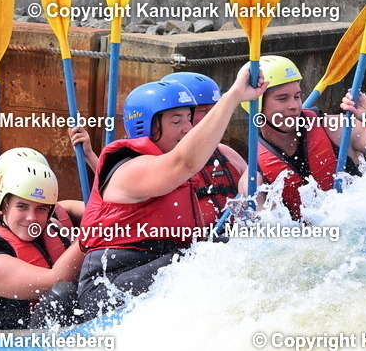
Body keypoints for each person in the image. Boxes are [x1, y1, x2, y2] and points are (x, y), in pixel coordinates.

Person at [77, 65, 265, 317]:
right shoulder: (131, 169)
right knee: (203, 258)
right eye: (176, 121)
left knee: (227, 247)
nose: (187, 129)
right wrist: (233, 96)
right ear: (146, 126)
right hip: (108, 286)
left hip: (158, 269)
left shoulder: (189, 165)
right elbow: (184, 162)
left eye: (189, 119)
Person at [254, 55, 366, 221]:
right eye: (282, 98)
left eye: (297, 96)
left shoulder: (339, 129)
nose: (294, 106)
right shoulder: (254, 177)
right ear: (256, 106)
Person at [0, 161, 84, 330]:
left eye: (41, 209)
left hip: (48, 336)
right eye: (22, 206)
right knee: (62, 293)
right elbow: (56, 279)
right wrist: (93, 233)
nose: (32, 217)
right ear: (5, 205)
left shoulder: (52, 227)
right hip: (8, 350)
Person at [161, 71, 248, 212]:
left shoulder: (226, 154)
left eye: (217, 111)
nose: (217, 120)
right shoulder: (150, 163)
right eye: (205, 112)